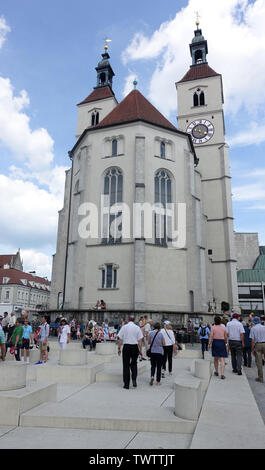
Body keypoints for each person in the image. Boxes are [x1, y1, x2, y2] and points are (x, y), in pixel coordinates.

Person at [117, 314, 143, 389]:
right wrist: (140, 350)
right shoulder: (137, 328)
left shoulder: (124, 327)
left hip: (126, 346)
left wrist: (119, 348)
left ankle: (126, 384)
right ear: (134, 320)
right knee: (134, 364)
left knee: (126, 365)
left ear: (128, 320)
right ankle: (134, 379)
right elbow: (140, 340)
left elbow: (120, 339)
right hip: (134, 346)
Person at [249, 316, 265, 383]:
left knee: (259, 363)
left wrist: (252, 349)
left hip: (258, 345)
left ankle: (260, 378)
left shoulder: (253, 328)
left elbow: (252, 340)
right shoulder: (264, 327)